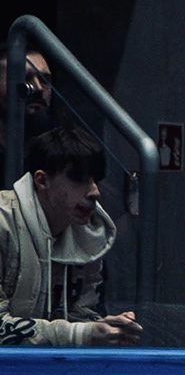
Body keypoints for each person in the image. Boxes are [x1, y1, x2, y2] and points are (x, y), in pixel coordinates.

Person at [0, 120, 135, 346]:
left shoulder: (87, 234)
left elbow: (78, 316)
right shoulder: (3, 223)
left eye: (95, 179)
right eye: (78, 178)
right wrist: (80, 334)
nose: (94, 192)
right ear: (42, 180)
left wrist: (105, 328)